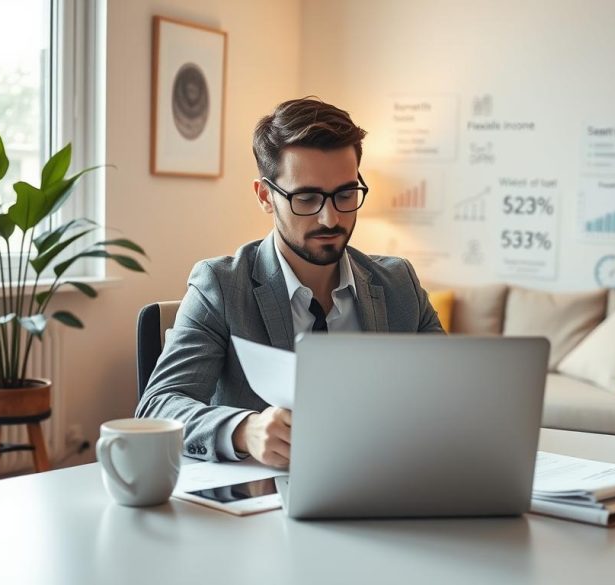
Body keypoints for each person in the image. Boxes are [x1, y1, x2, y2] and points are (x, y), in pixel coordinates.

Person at [135, 98, 443, 467]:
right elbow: (157, 407)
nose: (330, 218)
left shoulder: (398, 283)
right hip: (263, 505)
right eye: (307, 197)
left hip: (386, 486)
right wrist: (243, 430)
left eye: (345, 194)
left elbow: (447, 394)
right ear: (266, 197)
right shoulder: (220, 284)